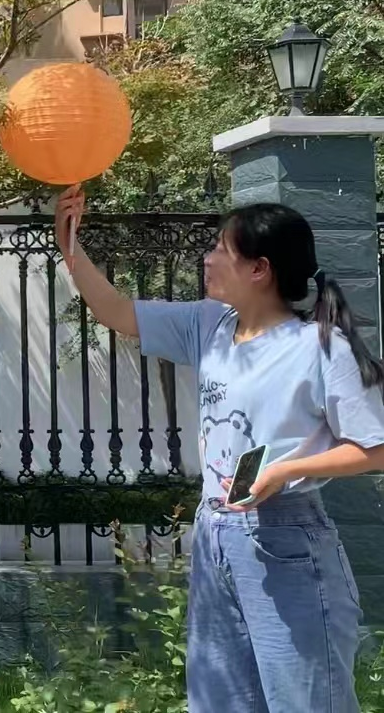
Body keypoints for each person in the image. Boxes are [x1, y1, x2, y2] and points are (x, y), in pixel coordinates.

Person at [55, 188, 384, 712]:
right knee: (218, 701)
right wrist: (68, 244)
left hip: (285, 538)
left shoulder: (319, 347)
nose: (207, 259)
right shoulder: (210, 324)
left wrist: (285, 471)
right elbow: (115, 310)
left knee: (304, 701)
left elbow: (374, 448)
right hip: (216, 534)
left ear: (260, 269)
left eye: (220, 250)